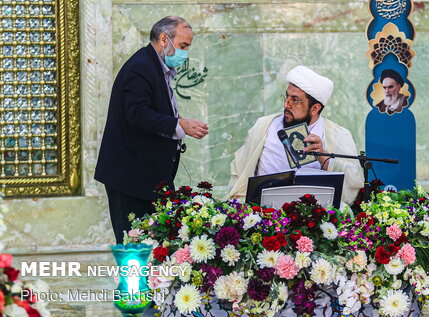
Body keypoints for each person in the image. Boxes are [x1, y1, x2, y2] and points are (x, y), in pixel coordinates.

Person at [95, 16, 209, 243]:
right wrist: (179, 125)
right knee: (134, 247)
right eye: (183, 46)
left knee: (154, 246)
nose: (185, 53)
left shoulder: (155, 66)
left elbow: (152, 110)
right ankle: (132, 281)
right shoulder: (141, 67)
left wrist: (181, 121)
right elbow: (137, 114)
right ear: (164, 39)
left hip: (146, 178)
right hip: (130, 179)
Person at [227, 65, 364, 206]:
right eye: (286, 97)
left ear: (315, 108)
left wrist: (325, 158)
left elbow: (353, 184)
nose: (287, 104)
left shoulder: (337, 135)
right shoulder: (263, 126)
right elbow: (240, 171)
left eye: (295, 100)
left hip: (313, 216)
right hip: (265, 215)